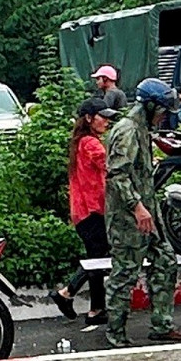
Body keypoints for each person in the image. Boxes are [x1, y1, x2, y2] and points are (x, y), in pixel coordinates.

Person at [105, 78, 181, 348]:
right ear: (151, 106)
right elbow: (117, 175)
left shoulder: (141, 130)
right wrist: (137, 207)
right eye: (163, 110)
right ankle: (116, 333)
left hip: (148, 214)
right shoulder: (127, 130)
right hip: (128, 218)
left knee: (166, 261)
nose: (164, 116)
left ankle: (162, 325)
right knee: (125, 274)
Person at [49, 98, 119, 327]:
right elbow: (111, 165)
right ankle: (73, 296)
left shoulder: (80, 142)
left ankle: (91, 307)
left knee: (97, 258)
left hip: (83, 211)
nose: (106, 121)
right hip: (92, 211)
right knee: (98, 259)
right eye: (102, 117)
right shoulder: (90, 144)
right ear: (89, 118)